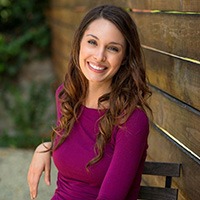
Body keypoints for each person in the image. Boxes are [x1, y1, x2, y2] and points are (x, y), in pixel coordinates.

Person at [27, 4, 152, 200]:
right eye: (92, 42)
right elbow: (79, 147)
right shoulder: (67, 97)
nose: (99, 56)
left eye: (112, 48)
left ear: (125, 57)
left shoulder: (131, 120)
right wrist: (46, 147)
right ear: (79, 44)